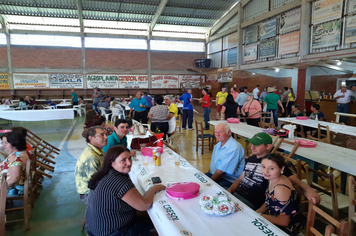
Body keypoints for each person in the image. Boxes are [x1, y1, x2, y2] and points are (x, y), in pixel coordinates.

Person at [227, 132, 320, 211]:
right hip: (236, 196)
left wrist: (308, 189)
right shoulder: (251, 158)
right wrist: (229, 191)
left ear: (268, 146)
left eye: (257, 145)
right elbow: (239, 179)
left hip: (251, 204)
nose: (252, 147)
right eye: (252, 144)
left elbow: (294, 180)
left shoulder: (274, 164)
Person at [85, 146, 166, 236]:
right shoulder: (119, 181)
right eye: (123, 160)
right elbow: (144, 205)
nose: (129, 163)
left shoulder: (104, 174)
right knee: (160, 222)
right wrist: (154, 188)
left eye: (130, 158)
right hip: (113, 232)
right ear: (112, 163)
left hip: (95, 229)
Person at [256, 153, 301, 235]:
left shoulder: (280, 189)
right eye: (263, 167)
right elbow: (268, 201)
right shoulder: (273, 178)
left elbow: (284, 222)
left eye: (271, 168)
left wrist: (259, 215)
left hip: (284, 230)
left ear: (282, 169)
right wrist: (256, 212)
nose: (266, 171)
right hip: (272, 218)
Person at [205, 123, 245, 188]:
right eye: (216, 132)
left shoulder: (234, 147)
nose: (217, 135)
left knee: (205, 190)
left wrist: (209, 182)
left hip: (228, 180)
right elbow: (213, 163)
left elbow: (221, 171)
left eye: (221, 132)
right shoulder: (218, 145)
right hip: (215, 174)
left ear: (229, 132)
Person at [75, 126, 108, 204]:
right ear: (91, 138)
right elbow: (94, 182)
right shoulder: (91, 156)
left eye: (106, 134)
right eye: (102, 135)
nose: (106, 137)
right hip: (89, 193)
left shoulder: (97, 150)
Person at [1, 131, 30, 196]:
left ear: (15, 143)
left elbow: (14, 178)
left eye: (6, 143)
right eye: (2, 142)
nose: (3, 145)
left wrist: (1, 188)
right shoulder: (23, 152)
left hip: (13, 189)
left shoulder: (14, 157)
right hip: (20, 185)